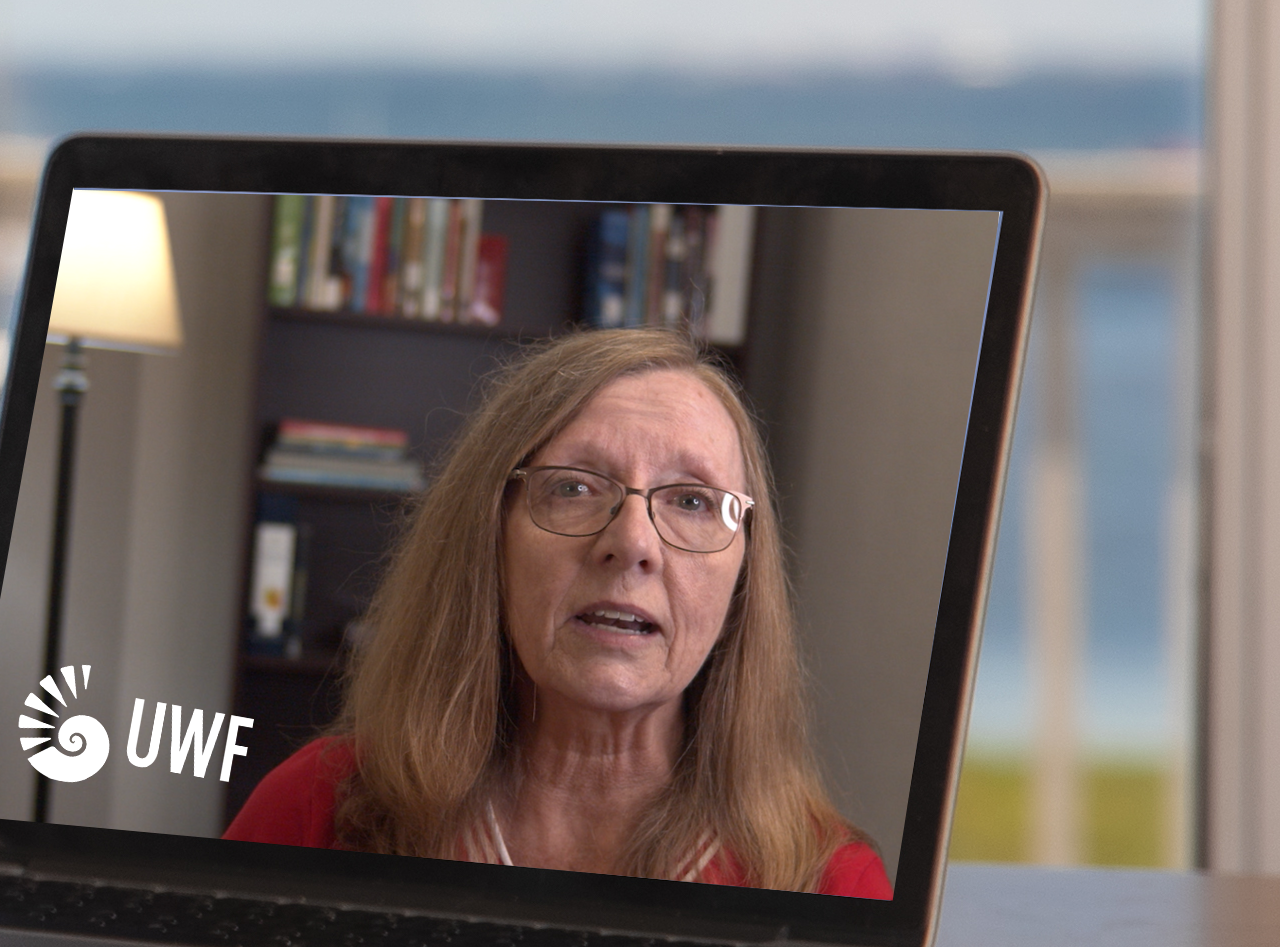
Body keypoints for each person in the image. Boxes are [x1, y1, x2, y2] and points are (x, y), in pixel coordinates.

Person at [220, 327, 888, 896]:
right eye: (573, 487)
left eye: (690, 501)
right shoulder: (317, 807)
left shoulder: (828, 882)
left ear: (745, 573)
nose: (631, 543)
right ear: (489, 536)